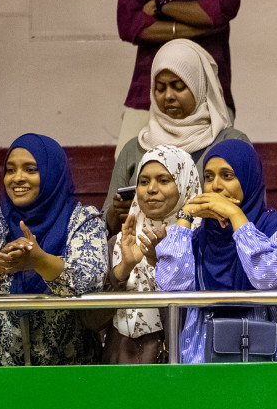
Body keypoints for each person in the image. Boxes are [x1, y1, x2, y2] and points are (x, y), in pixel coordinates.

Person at [0, 134, 107, 366]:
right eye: (10, 170)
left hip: (71, 373)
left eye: (31, 169)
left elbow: (90, 278)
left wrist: (39, 260)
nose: (17, 178)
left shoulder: (83, 218)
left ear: (53, 172)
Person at [155, 139, 277, 363]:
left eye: (227, 175)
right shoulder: (197, 236)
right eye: (209, 177)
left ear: (248, 178)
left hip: (266, 359)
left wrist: (236, 217)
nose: (216, 186)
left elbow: (266, 277)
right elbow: (170, 286)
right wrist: (185, 217)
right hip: (201, 359)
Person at [115, 0, 247, 153]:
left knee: (209, 178)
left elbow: (219, 10)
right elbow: (128, 25)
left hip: (209, 95)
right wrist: (201, 24)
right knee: (131, 179)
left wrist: (160, 6)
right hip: (147, 93)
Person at [103, 39, 247, 235]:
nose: (168, 96)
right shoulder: (135, 149)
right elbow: (106, 224)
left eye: (178, 86)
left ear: (199, 86)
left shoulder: (230, 144)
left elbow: (250, 211)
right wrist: (114, 216)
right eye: (160, 88)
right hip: (140, 258)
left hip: (212, 256)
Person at [86, 144, 202, 365]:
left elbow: (191, 323)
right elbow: (92, 321)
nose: (151, 189)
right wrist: (124, 269)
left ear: (185, 184)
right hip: (121, 367)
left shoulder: (199, 241)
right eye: (144, 181)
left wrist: (160, 265)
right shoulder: (118, 243)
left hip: (178, 367)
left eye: (164, 180)